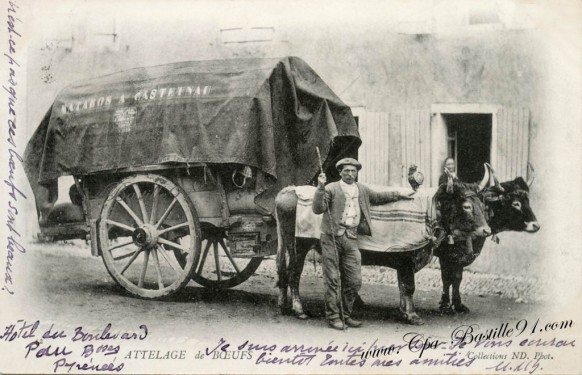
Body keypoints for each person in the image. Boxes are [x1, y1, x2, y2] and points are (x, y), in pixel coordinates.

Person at [312, 158, 414, 330]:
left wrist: (401, 194)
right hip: (331, 238)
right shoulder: (331, 188)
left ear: (357, 172)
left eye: (353, 171)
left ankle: (346, 314)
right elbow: (317, 208)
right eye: (346, 171)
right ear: (340, 172)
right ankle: (333, 317)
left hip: (351, 238)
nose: (350, 174)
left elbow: (380, 197)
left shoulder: (362, 189)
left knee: (354, 280)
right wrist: (320, 188)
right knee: (333, 279)